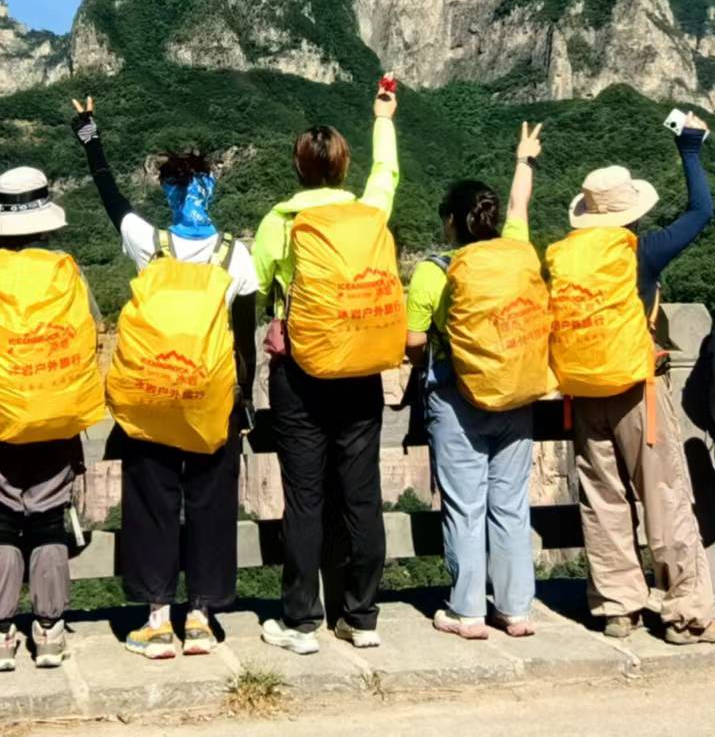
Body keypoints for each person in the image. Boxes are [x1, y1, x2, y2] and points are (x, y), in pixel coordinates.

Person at [70, 97, 261, 660]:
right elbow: (244, 342)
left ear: (172, 197)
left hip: (153, 396)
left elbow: (110, 197)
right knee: (210, 502)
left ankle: (156, 621)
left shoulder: (148, 244)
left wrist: (90, 138)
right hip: (212, 399)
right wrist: (243, 400)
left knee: (152, 501)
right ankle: (200, 616)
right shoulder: (235, 256)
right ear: (210, 194)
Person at [558, 109, 715, 645]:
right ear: (630, 212)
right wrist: (690, 148)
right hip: (638, 390)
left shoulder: (564, 257)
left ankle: (619, 609)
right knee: (664, 497)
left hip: (584, 390)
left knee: (603, 500)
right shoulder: (643, 252)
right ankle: (686, 614)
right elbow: (701, 211)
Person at [252, 79, 401, 654]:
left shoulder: (280, 220)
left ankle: (301, 621)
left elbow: (258, 282)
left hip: (300, 373)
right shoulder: (368, 212)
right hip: (360, 367)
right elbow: (387, 175)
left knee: (305, 497)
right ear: (343, 167)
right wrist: (383, 118)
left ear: (298, 167)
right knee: (361, 496)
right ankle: (361, 617)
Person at [407, 121, 547, 640]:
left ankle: (467, 613)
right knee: (510, 504)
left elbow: (414, 341)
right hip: (515, 389)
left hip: (456, 396)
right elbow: (519, 208)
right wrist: (524, 159)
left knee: (465, 506)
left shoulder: (433, 271)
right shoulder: (515, 251)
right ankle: (516, 610)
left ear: (450, 222)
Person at [0, 164, 90, 674]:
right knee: (48, 518)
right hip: (56, 410)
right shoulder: (66, 271)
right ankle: (50, 631)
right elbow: (88, 331)